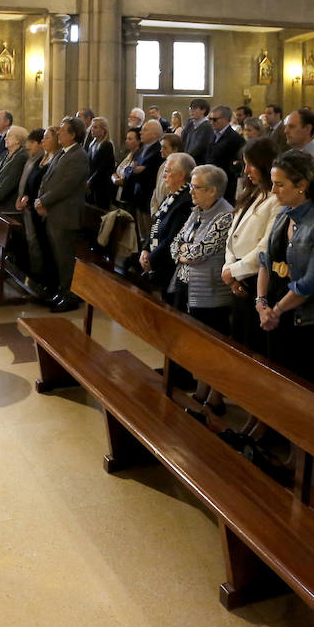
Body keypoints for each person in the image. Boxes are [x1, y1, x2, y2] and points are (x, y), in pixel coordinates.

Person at [254, 150, 314, 388]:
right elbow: (266, 262)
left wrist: (276, 310)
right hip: (274, 315)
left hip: (306, 323)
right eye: (272, 184)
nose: (273, 191)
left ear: (302, 185)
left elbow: (311, 282)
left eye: (280, 184)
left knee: (299, 391)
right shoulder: (283, 215)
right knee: (272, 385)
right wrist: (261, 303)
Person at [170, 164, 235, 413]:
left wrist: (186, 254)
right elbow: (176, 244)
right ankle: (200, 390)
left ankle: (215, 397)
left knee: (213, 347)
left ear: (213, 190)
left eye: (196, 188)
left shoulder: (225, 215)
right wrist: (184, 254)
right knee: (197, 344)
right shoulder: (197, 211)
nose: (191, 193)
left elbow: (201, 251)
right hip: (187, 285)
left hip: (211, 292)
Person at [222, 138, 281, 354]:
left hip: (257, 280)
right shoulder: (253, 192)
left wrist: (235, 272)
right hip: (237, 278)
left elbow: (265, 247)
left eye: (251, 164)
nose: (246, 170)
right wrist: (229, 270)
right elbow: (232, 235)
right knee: (237, 343)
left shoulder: (277, 199)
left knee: (252, 346)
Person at [35, 117, 91, 312]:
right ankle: (62, 290)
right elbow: (48, 178)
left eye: (62, 130)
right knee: (58, 256)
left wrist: (44, 201)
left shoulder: (79, 155)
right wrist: (40, 199)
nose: (58, 133)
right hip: (54, 212)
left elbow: (67, 186)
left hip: (66, 214)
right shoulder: (62, 153)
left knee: (65, 257)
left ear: (73, 134)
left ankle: (71, 296)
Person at [138, 152, 196, 295]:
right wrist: (145, 250)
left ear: (181, 175)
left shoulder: (186, 201)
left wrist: (151, 259)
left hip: (168, 265)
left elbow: (173, 238)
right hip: (157, 260)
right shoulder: (172, 196)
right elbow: (156, 224)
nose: (164, 176)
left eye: (167, 171)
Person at [16, 128, 55, 290]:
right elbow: (29, 181)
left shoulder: (51, 159)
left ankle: (42, 275)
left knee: (39, 242)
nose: (28, 146)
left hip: (40, 207)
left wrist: (31, 199)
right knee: (32, 239)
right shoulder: (39, 158)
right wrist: (23, 195)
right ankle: (35, 273)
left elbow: (46, 184)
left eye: (32, 142)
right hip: (31, 204)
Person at [202, 104, 245, 200]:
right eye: (210, 119)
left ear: (225, 119)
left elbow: (239, 162)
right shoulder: (212, 135)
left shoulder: (235, 138)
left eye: (215, 119)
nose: (212, 122)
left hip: (226, 183)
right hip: (210, 179)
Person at [85, 115, 117, 208]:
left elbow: (102, 168)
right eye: (92, 127)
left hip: (102, 185)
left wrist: (90, 181)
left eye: (95, 127)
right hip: (91, 184)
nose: (92, 129)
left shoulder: (107, 145)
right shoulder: (92, 145)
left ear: (104, 130)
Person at [110, 126, 141, 206]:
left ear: (138, 141)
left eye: (130, 139)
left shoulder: (139, 158)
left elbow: (128, 180)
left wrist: (117, 180)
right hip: (116, 195)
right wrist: (115, 180)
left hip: (127, 198)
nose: (126, 141)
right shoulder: (127, 154)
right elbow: (115, 171)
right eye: (126, 138)